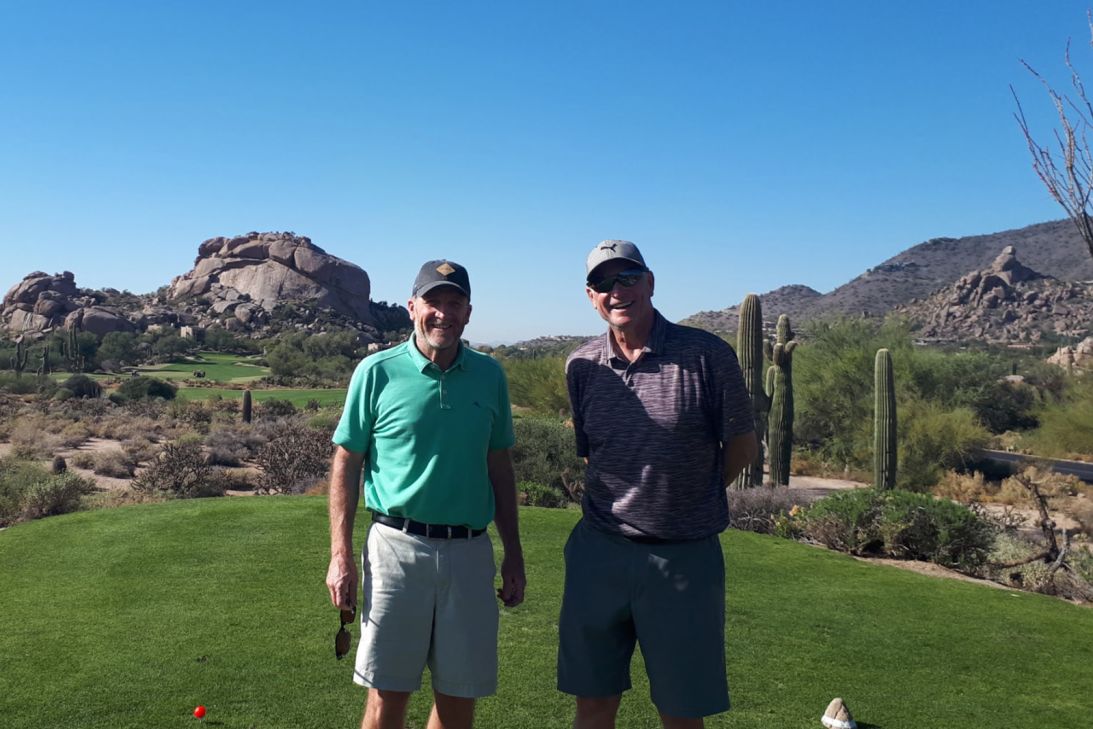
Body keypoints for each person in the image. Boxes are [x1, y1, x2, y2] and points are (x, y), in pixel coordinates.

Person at [559, 240, 758, 729]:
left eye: (627, 277)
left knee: (681, 709)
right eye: (604, 283)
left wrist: (690, 496)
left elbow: (741, 446)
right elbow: (592, 453)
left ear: (650, 281)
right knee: (593, 702)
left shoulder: (706, 355)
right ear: (591, 296)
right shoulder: (581, 366)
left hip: (682, 557)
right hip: (598, 552)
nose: (617, 290)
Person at [325, 259, 526, 729]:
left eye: (454, 303)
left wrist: (513, 552)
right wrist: (340, 554)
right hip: (396, 548)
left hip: (470, 552)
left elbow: (500, 465)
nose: (443, 313)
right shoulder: (377, 371)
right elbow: (346, 460)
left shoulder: (489, 375)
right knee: (387, 695)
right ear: (412, 306)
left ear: (469, 312)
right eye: (433, 302)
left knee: (459, 699)